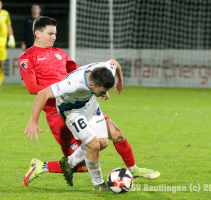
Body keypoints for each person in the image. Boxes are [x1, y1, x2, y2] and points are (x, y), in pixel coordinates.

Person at [18, 16, 160, 188]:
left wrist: (98, 87)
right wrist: (63, 87)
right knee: (84, 163)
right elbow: (33, 88)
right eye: (50, 34)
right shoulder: (28, 57)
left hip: (83, 101)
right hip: (57, 111)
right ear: (37, 33)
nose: (54, 37)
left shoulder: (60, 53)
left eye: (55, 33)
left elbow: (77, 72)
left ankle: (133, 168)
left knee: (112, 137)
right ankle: (40, 167)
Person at [24, 61, 119, 191]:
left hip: (89, 104)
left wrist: (118, 83)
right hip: (71, 110)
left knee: (103, 142)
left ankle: (68, 163)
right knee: (93, 145)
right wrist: (33, 121)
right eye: (103, 90)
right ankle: (99, 185)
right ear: (91, 84)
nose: (105, 93)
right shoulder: (73, 84)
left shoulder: (106, 70)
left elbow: (115, 64)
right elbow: (43, 94)